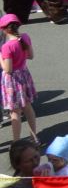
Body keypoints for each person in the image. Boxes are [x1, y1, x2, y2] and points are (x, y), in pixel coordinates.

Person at [1, 13, 39, 144]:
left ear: (4, 29)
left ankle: (16, 141)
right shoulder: (25, 37)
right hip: (24, 75)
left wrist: (0, 57)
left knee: (15, 112)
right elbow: (31, 56)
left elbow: (8, 69)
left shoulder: (6, 47)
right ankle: (34, 137)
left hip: (12, 81)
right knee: (28, 107)